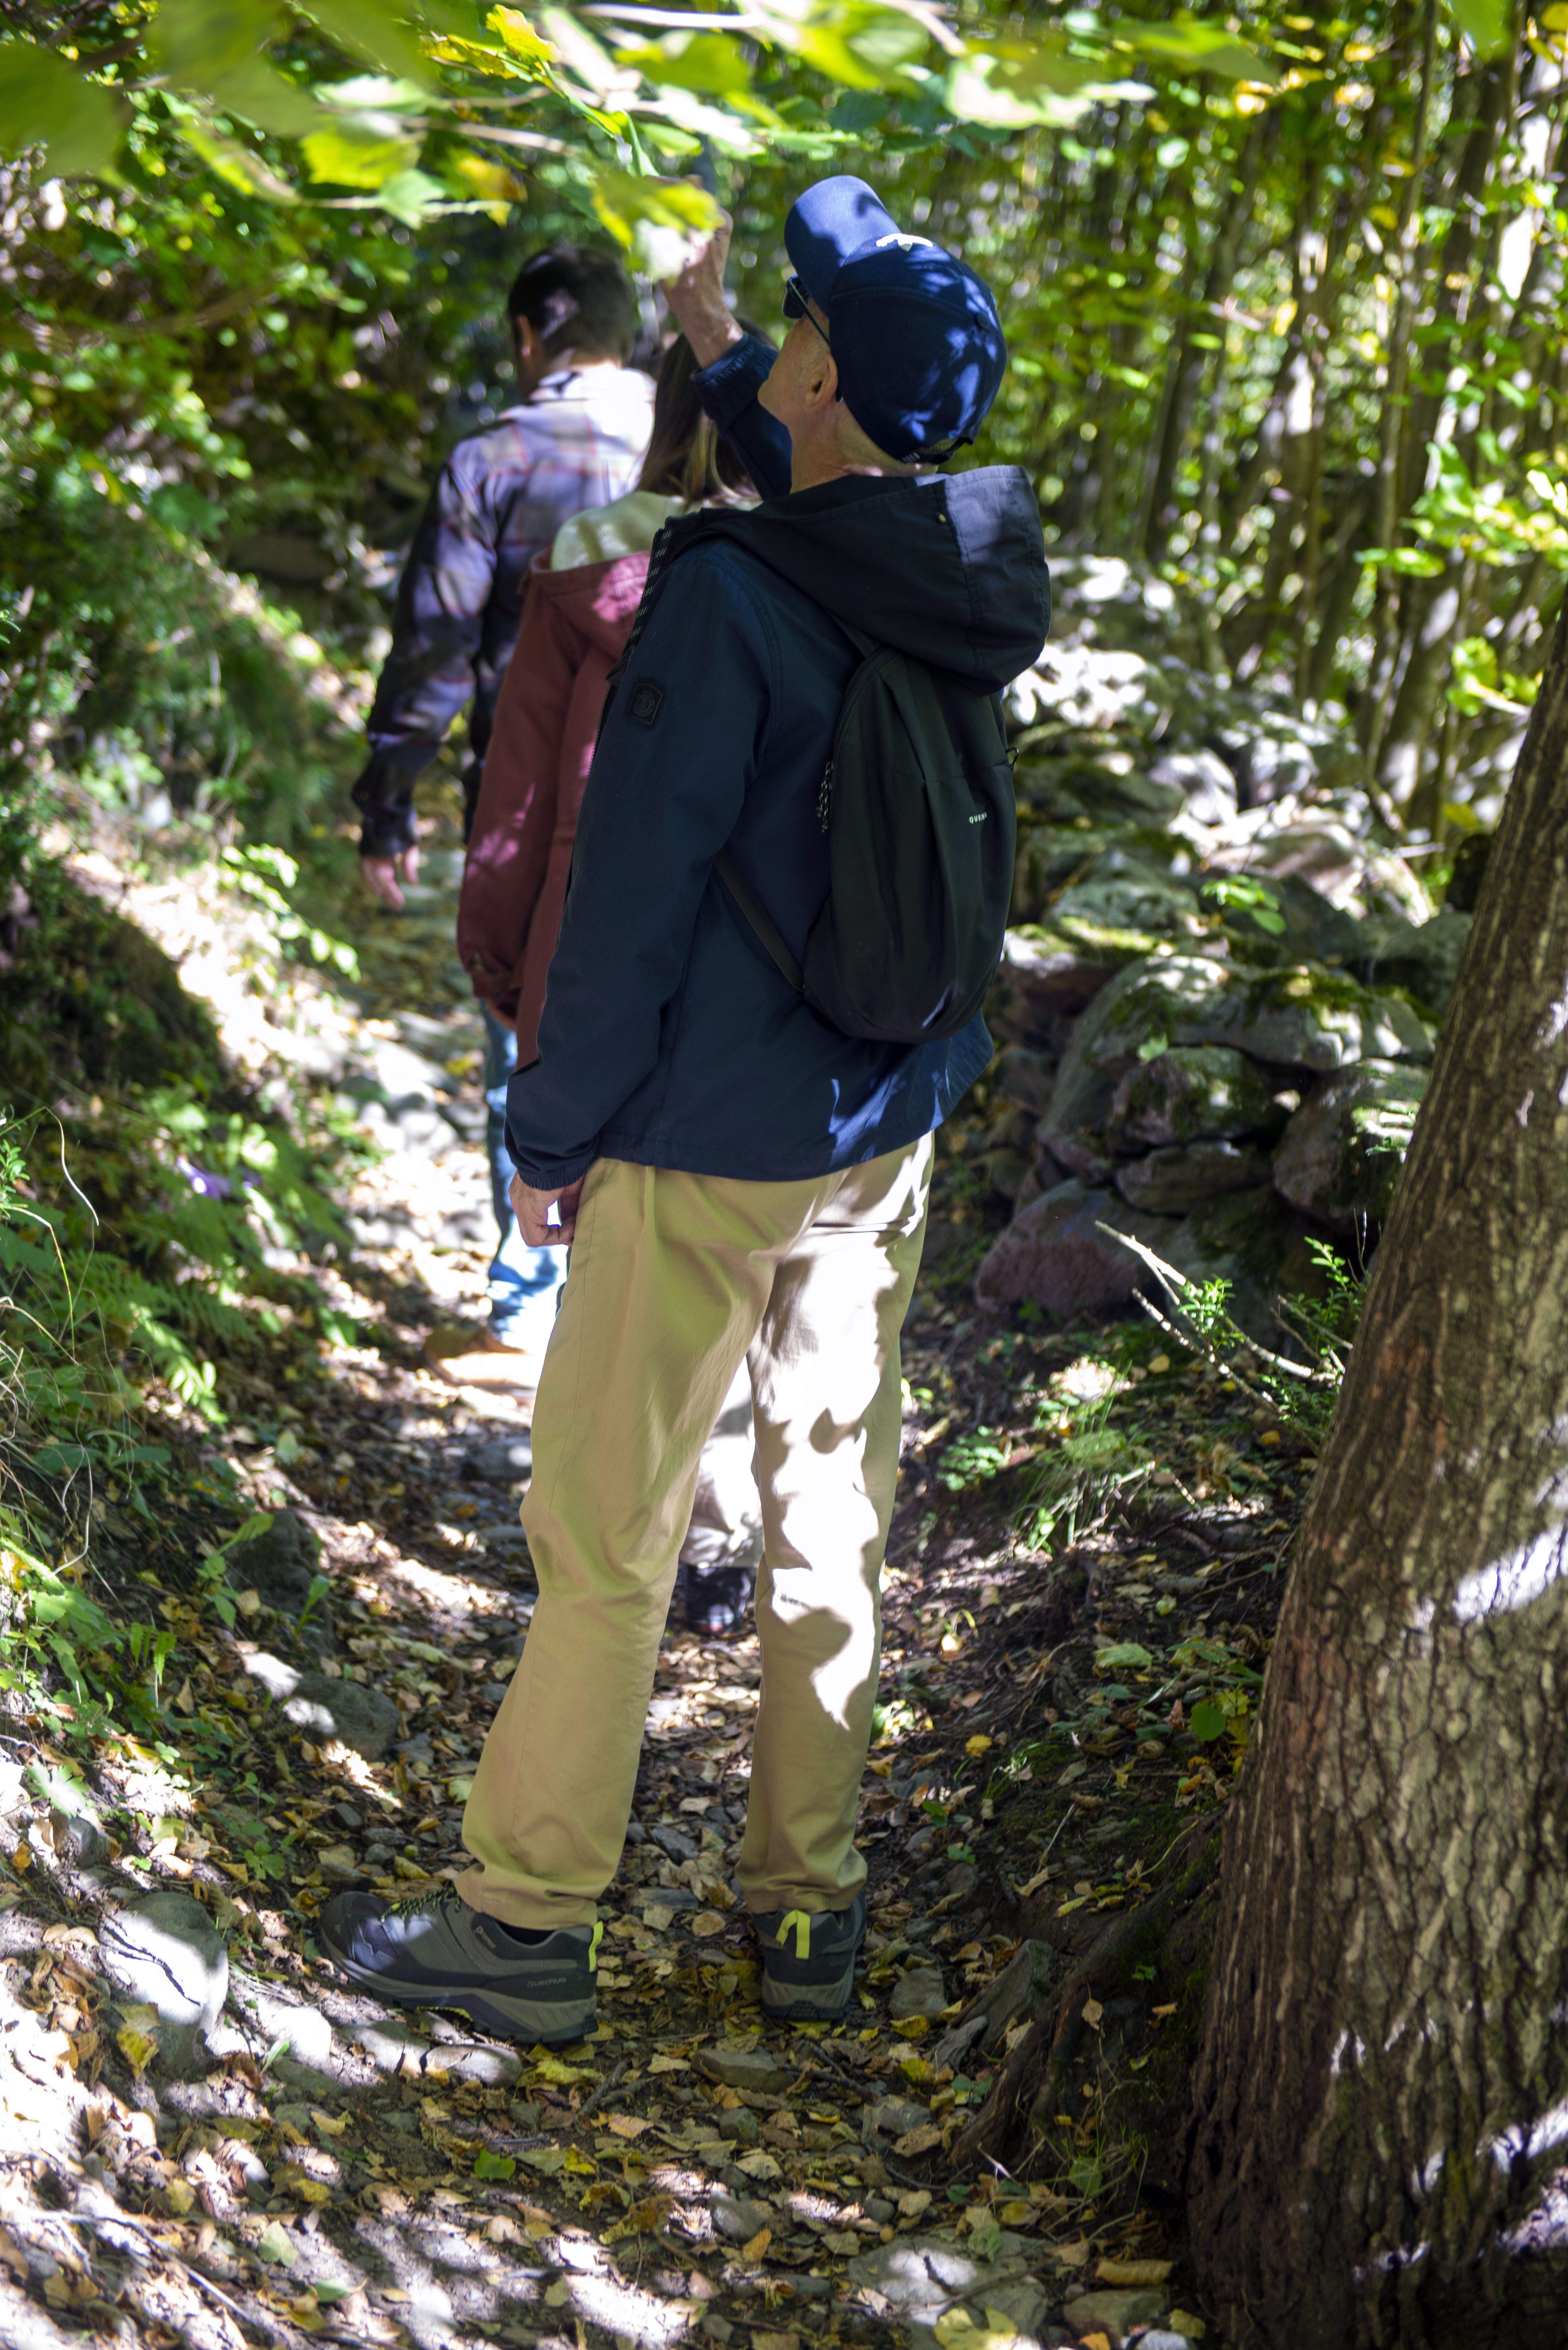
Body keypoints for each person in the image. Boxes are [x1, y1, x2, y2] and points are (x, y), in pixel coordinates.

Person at [320, 176, 1050, 2046]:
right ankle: (809, 1913)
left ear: (820, 373)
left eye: (800, 333)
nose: (780, 349)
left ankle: (526, 1916)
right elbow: (814, 460)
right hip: (884, 1130)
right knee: (831, 1525)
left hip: (703, 1139)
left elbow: (635, 897)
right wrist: (724, 329)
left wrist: (548, 1136)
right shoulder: (957, 560)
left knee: (610, 1530)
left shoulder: (729, 597)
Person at [456, 332, 766, 1626]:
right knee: (737, 1273)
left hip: (593, 967)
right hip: (759, 993)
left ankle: (602, 1561)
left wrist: (502, 964)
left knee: (607, 1261)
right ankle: (720, 1536)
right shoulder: (808, 572)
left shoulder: (592, 563)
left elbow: (516, 799)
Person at [351, 246, 655, 1365]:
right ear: (631, 338)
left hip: (522, 811)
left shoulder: (494, 458)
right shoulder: (709, 451)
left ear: (528, 339)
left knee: (524, 1035)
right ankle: (622, 1300)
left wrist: (390, 805)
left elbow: (435, 647)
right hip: (688, 812)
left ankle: (531, 1289)